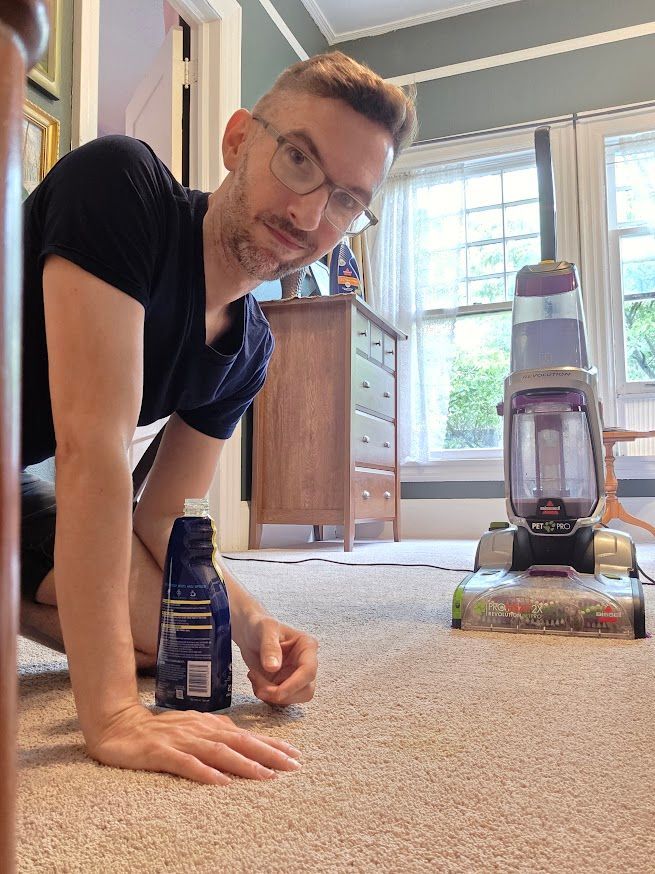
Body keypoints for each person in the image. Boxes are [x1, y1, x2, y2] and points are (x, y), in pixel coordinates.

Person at [20, 50, 417, 785]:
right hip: (43, 471)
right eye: (298, 159)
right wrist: (109, 717)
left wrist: (253, 623)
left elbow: (166, 513)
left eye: (346, 201)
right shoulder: (121, 185)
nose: (307, 214)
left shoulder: (249, 348)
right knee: (119, 662)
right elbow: (91, 450)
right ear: (238, 140)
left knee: (166, 644)